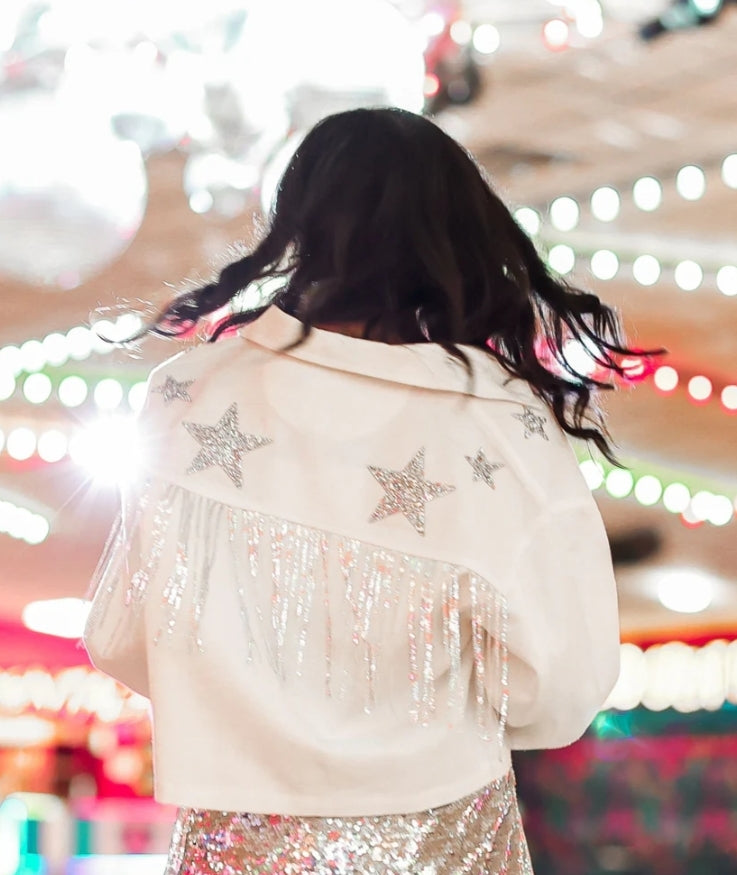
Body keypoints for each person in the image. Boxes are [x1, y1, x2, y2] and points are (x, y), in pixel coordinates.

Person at [84, 107, 644, 874]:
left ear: (298, 221)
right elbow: (564, 689)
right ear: (460, 230)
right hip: (442, 836)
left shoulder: (188, 393)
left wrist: (249, 717)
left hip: (240, 843)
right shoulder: (497, 425)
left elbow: (120, 636)